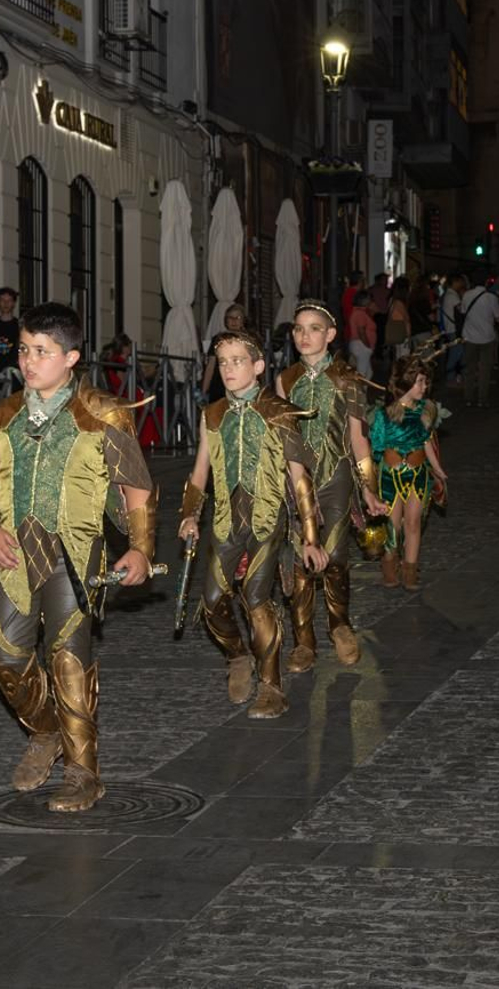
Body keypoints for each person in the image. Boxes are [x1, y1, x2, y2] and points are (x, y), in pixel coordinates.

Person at [0, 302, 155, 813]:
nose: (28, 361)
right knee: (5, 662)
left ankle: (83, 773)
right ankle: (44, 730)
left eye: (41, 352)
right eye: (24, 350)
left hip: (77, 551)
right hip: (13, 555)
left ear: (70, 357)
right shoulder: (1, 417)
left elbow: (136, 487)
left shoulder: (103, 413)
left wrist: (140, 547)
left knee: (69, 660)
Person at [179, 329, 325, 719]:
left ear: (258, 366)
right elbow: (199, 472)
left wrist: (310, 536)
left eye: (237, 360)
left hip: (268, 520)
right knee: (212, 602)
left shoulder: (278, 411)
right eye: (222, 361)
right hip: (227, 521)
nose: (228, 368)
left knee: (257, 598)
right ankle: (237, 655)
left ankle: (272, 685)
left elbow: (298, 477)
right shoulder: (212, 415)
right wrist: (189, 515)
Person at [276, 302, 385, 673]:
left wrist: (368, 488)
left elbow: (358, 439)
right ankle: (303, 639)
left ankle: (340, 624)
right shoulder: (285, 379)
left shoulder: (347, 379)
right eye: (298, 329)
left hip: (336, 474)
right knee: (300, 559)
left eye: (314, 328)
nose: (304, 336)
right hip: (297, 477)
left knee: (335, 554)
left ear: (330, 335)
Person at [368, 351, 448, 590]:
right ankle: (389, 565)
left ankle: (410, 569)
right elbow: (376, 448)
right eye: (419, 381)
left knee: (413, 522)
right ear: (406, 382)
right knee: (393, 525)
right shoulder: (385, 414)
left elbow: (426, 441)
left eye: (425, 381)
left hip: (418, 475)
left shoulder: (425, 410)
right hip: (390, 476)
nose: (424, 386)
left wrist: (437, 469)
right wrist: (370, 482)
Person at [460, 278, 499, 408]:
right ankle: (482, 399)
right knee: (484, 370)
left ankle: (468, 398)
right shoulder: (491, 298)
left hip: (470, 336)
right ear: (486, 282)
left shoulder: (466, 295)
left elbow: (462, 311)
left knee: (469, 369)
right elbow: (498, 317)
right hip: (487, 337)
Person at [200, 302, 251, 403]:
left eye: (238, 317)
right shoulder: (217, 339)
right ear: (225, 320)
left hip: (242, 386)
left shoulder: (249, 340)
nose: (234, 321)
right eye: (230, 317)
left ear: (243, 320)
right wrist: (204, 390)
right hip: (220, 386)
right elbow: (211, 365)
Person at [346, 291, 377, 379]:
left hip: (360, 344)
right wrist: (367, 345)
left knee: (367, 372)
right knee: (362, 373)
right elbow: (361, 331)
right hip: (361, 345)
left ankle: (362, 391)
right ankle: (359, 391)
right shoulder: (360, 313)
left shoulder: (359, 312)